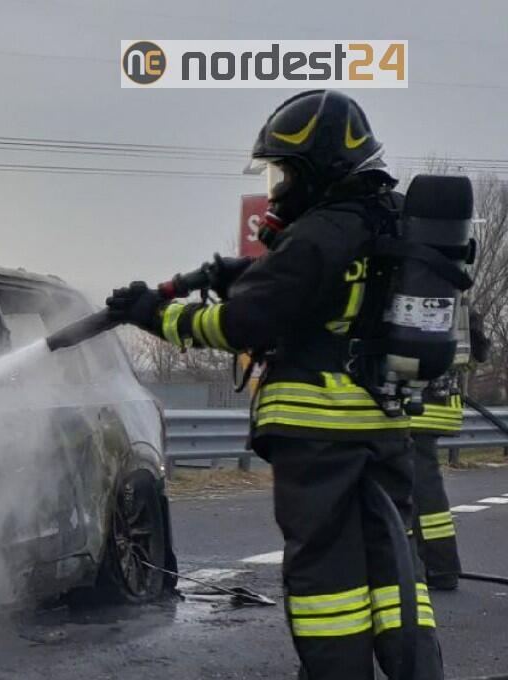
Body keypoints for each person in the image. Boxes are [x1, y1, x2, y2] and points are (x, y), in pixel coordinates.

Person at [106, 90, 443, 679]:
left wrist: (154, 316)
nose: (279, 185)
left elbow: (244, 323)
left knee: (325, 578)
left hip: (317, 436)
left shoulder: (317, 234)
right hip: (383, 426)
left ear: (317, 167)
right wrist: (252, 272)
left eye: (285, 170)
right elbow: (332, 298)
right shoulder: (383, 221)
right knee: (393, 564)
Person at [411, 309, 488, 590]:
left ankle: (434, 567)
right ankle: (434, 565)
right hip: (440, 405)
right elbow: (480, 352)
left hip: (412, 407)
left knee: (416, 490)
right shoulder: (456, 299)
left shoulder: (410, 289)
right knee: (421, 488)